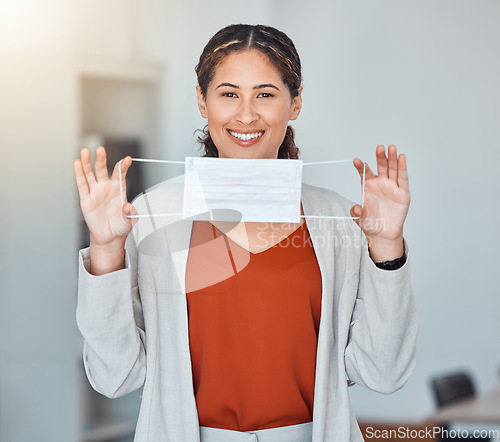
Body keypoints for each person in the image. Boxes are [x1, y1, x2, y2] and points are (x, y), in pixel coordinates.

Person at [74, 24, 418, 442]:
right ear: (203, 101)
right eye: (229, 93)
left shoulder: (340, 219)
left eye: (266, 94)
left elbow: (383, 373)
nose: (246, 114)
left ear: (295, 103)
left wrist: (386, 247)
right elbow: (115, 377)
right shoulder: (150, 215)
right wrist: (107, 249)